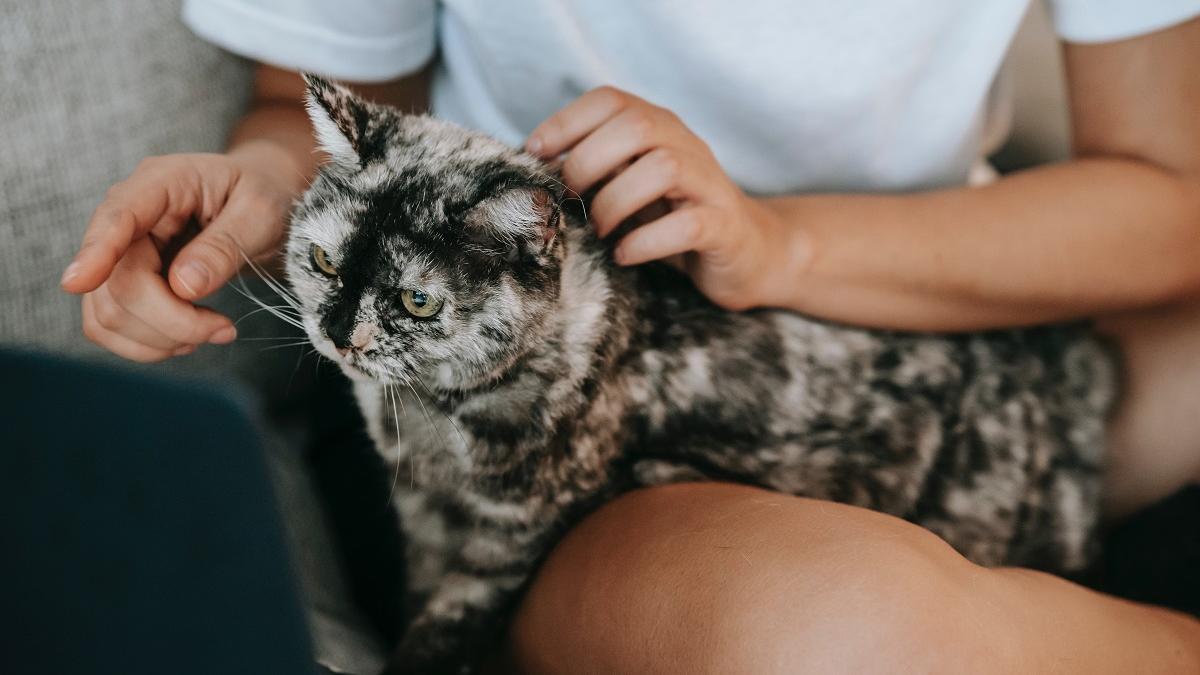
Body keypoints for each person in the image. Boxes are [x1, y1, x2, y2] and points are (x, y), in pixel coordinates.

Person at [61, 1, 1200, 670]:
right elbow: (305, 115)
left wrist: (780, 244)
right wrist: (257, 196)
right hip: (566, 455)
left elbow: (1170, 190)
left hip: (944, 347)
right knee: (836, 631)